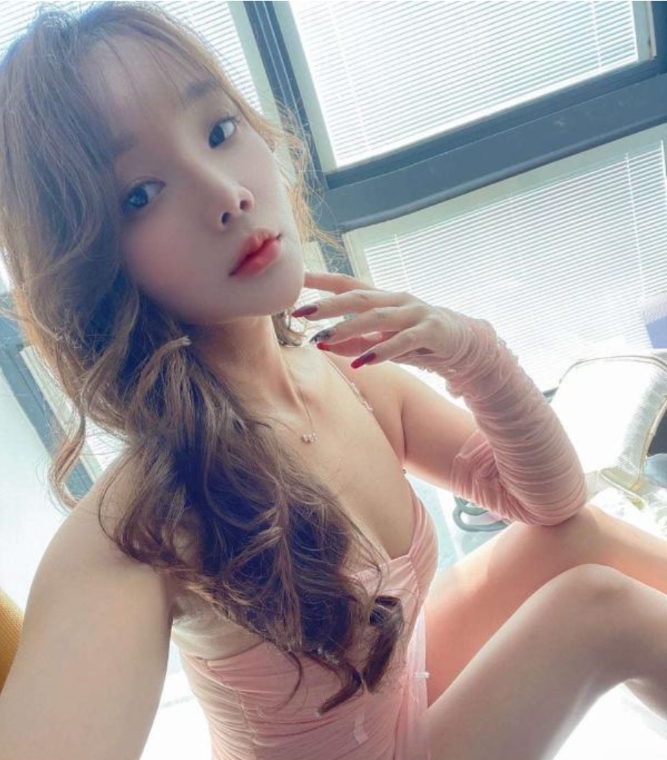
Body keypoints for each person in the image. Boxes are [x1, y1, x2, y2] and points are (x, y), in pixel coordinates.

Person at [0, 3, 666, 759]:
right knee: (599, 610)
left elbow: (551, 504)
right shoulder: (151, 515)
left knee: (580, 542)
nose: (226, 193)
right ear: (95, 263)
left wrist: (473, 354)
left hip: (402, 699)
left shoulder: (348, 376)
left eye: (219, 130)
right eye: (140, 196)